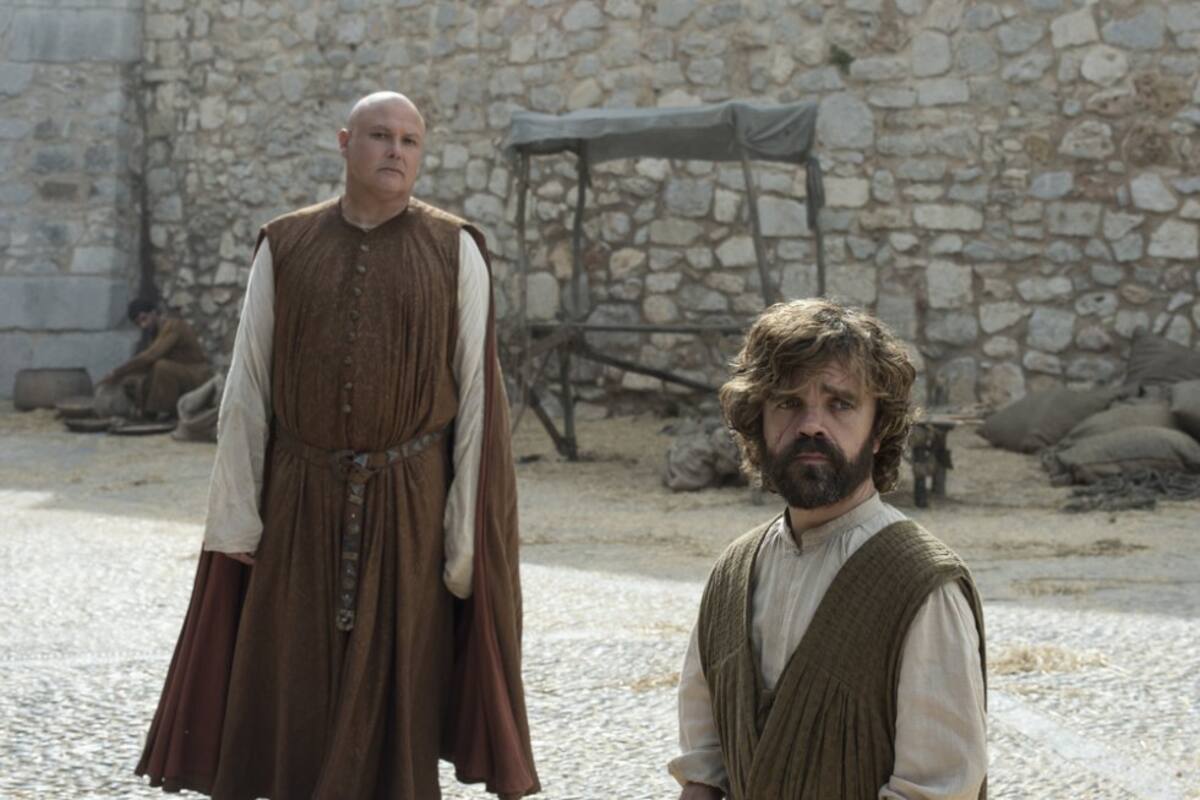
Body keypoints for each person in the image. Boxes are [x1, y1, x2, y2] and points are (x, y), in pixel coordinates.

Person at [136, 91, 539, 799]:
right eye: (380, 136)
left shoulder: (454, 249)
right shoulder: (285, 245)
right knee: (296, 684)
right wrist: (236, 516)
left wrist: (464, 539)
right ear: (345, 142)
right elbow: (247, 386)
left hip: (409, 504)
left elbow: (478, 399)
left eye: (410, 141)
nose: (395, 152)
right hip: (299, 499)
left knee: (398, 693)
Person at [669, 299, 987, 800]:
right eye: (788, 402)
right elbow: (705, 766)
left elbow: (937, 788)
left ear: (878, 429)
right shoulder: (734, 574)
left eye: (840, 404)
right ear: (759, 420)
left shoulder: (920, 586)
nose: (811, 425)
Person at [98, 299, 212, 421]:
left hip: (196, 377)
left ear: (153, 313)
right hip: (179, 377)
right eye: (138, 323)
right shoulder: (154, 333)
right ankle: (147, 413)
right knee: (137, 379)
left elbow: (150, 356)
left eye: (144, 319)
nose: (143, 325)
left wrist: (117, 373)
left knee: (162, 367)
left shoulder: (173, 326)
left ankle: (164, 412)